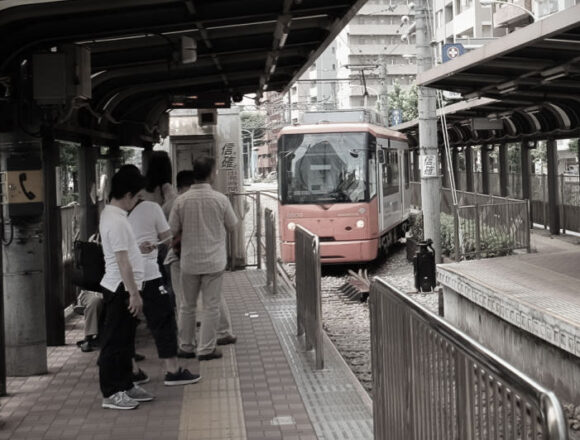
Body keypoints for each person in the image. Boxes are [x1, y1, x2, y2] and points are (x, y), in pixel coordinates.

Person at [169, 157, 239, 361]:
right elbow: (233, 226)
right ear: (211, 174)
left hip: (189, 262)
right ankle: (206, 349)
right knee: (211, 306)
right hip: (214, 262)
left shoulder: (181, 201)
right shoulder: (220, 199)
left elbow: (171, 230)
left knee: (187, 306)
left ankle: (186, 346)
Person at [127, 194, 200, 385]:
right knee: (163, 319)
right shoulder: (151, 208)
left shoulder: (113, 214)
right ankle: (173, 370)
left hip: (122, 276)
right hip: (148, 274)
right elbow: (168, 238)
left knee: (126, 323)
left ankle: (132, 370)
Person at [98, 165, 154, 410]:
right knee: (115, 342)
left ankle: (125, 384)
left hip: (122, 286)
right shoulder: (117, 220)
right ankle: (111, 392)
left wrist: (137, 250)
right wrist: (134, 293)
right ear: (128, 195)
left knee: (125, 341)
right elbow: (121, 261)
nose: (137, 201)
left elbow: (124, 253)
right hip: (121, 288)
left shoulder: (114, 216)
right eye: (137, 196)